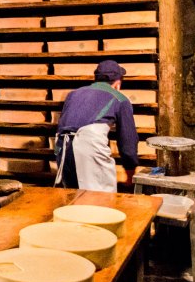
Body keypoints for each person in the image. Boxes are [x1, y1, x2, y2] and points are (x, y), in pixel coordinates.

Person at [54, 60, 138, 192]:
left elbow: (64, 123)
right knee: (100, 202)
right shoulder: (120, 98)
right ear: (117, 83)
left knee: (71, 199)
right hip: (88, 147)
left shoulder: (73, 94)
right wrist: (130, 173)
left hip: (62, 147)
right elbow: (127, 140)